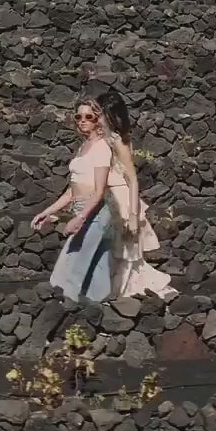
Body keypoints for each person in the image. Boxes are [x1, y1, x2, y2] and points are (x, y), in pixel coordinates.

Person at [31, 90, 176, 302]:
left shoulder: (117, 141)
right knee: (107, 255)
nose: (92, 118)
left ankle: (107, 295)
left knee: (122, 256)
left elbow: (132, 179)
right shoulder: (95, 142)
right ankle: (98, 296)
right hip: (104, 199)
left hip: (119, 199)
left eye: (96, 114)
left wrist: (134, 214)